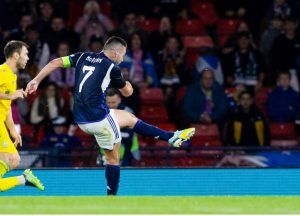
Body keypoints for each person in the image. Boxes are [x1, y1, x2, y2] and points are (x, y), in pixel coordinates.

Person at [25, 36, 195, 195]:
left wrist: (36, 80)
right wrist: (128, 83)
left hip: (80, 118)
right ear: (115, 52)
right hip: (99, 120)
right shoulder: (112, 67)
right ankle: (111, 199)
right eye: (122, 55)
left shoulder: (83, 56)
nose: (122, 59)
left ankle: (172, 137)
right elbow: (127, 93)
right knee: (114, 160)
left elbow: (55, 62)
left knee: (128, 118)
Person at [0, 40, 44, 192]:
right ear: (16, 55)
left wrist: (12, 130)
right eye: (25, 54)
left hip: (1, 124)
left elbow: (6, 108)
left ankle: (23, 179)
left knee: (14, 159)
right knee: (12, 159)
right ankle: (23, 179)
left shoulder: (11, 77)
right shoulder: (2, 71)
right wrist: (12, 95)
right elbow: (9, 98)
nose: (28, 58)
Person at [105, 88, 139, 166]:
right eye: (108, 103)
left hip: (126, 151)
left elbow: (128, 135)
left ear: (119, 100)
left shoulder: (128, 112)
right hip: (106, 153)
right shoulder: (102, 111)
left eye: (113, 102)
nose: (110, 105)